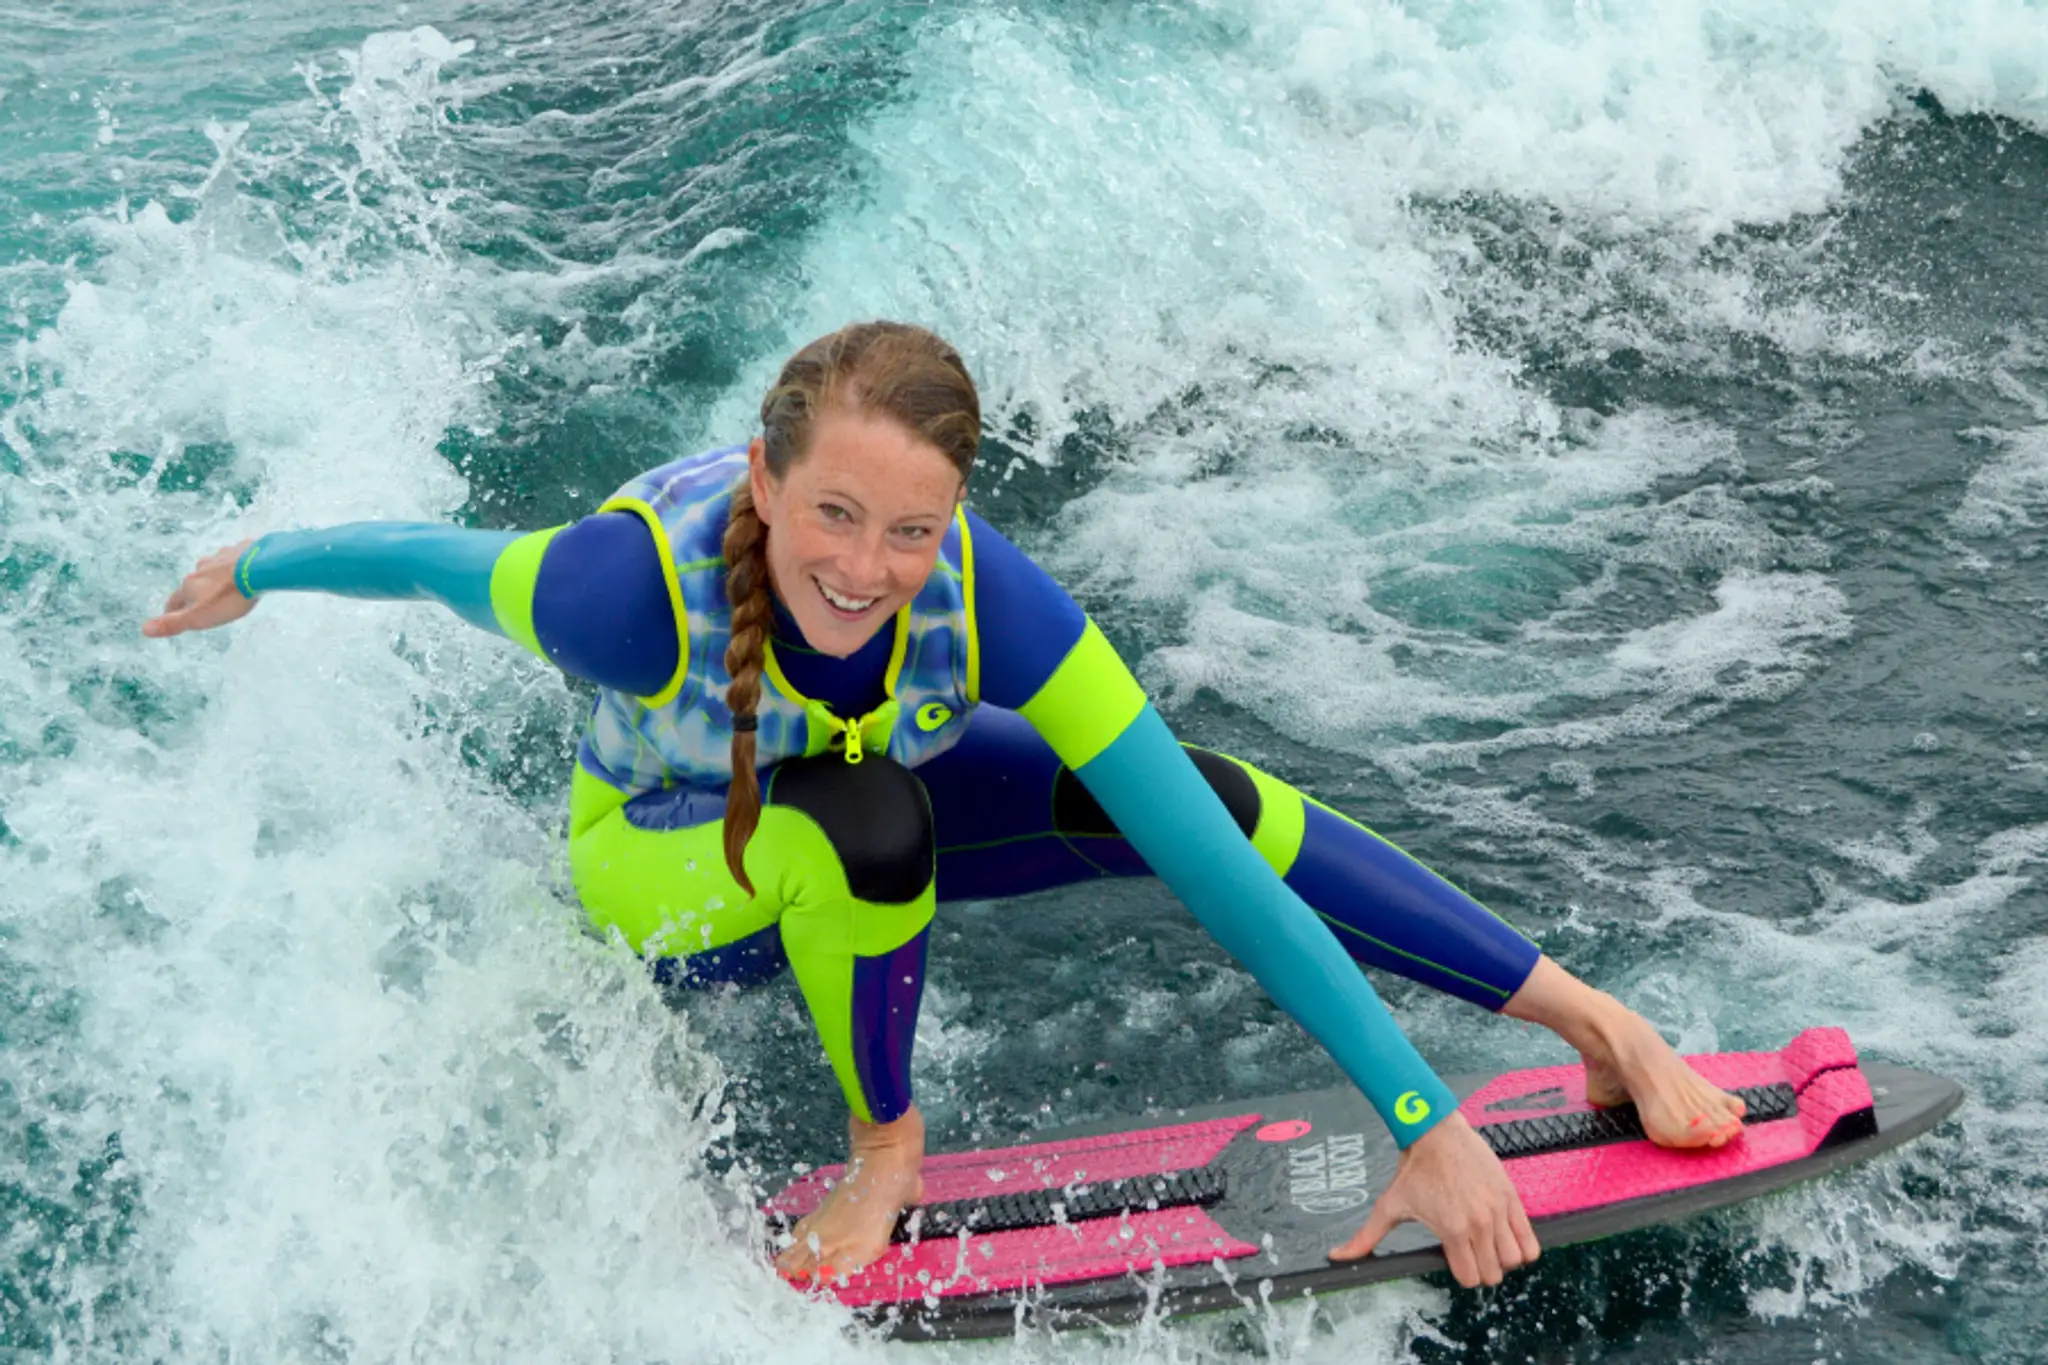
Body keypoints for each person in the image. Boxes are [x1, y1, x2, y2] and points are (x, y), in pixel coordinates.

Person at [145, 321, 1745, 1291]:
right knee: (867, 827)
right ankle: (883, 1152)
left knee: (1192, 792)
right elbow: (430, 564)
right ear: (767, 485)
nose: (864, 566)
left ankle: (1591, 1020)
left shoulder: (993, 599)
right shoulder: (622, 593)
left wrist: (1430, 1118)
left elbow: (1213, 859)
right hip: (663, 885)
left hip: (844, 824)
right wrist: (260, 569)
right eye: (832, 513)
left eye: (910, 530)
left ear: (957, 515)